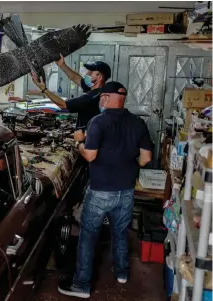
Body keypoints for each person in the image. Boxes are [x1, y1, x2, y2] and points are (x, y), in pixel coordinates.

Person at [58, 81, 153, 299]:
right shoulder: (138, 122)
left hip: (100, 190)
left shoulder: (97, 122)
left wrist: (79, 143)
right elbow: (146, 158)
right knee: (120, 233)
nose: (100, 100)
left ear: (106, 98)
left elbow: (90, 156)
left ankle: (81, 285)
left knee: (88, 235)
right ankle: (122, 273)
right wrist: (128, 165)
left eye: (102, 97)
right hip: (126, 190)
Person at [32, 54, 111, 128]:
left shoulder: (92, 97)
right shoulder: (97, 89)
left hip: (87, 137)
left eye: (90, 72)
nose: (87, 73)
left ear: (99, 77)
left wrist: (44, 89)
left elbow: (63, 105)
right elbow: (75, 78)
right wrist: (62, 65)